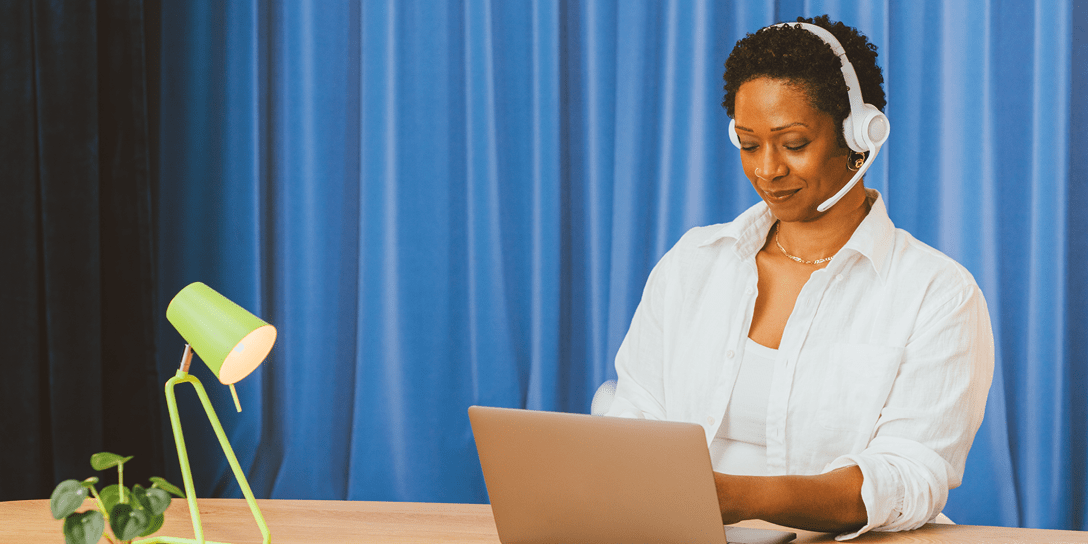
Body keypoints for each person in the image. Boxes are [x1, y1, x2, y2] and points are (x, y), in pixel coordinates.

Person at [604, 15, 994, 540]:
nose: (767, 170)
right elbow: (634, 414)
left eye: (792, 143)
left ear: (860, 136)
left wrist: (728, 496)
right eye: (748, 144)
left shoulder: (936, 293)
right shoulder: (693, 262)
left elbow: (906, 477)